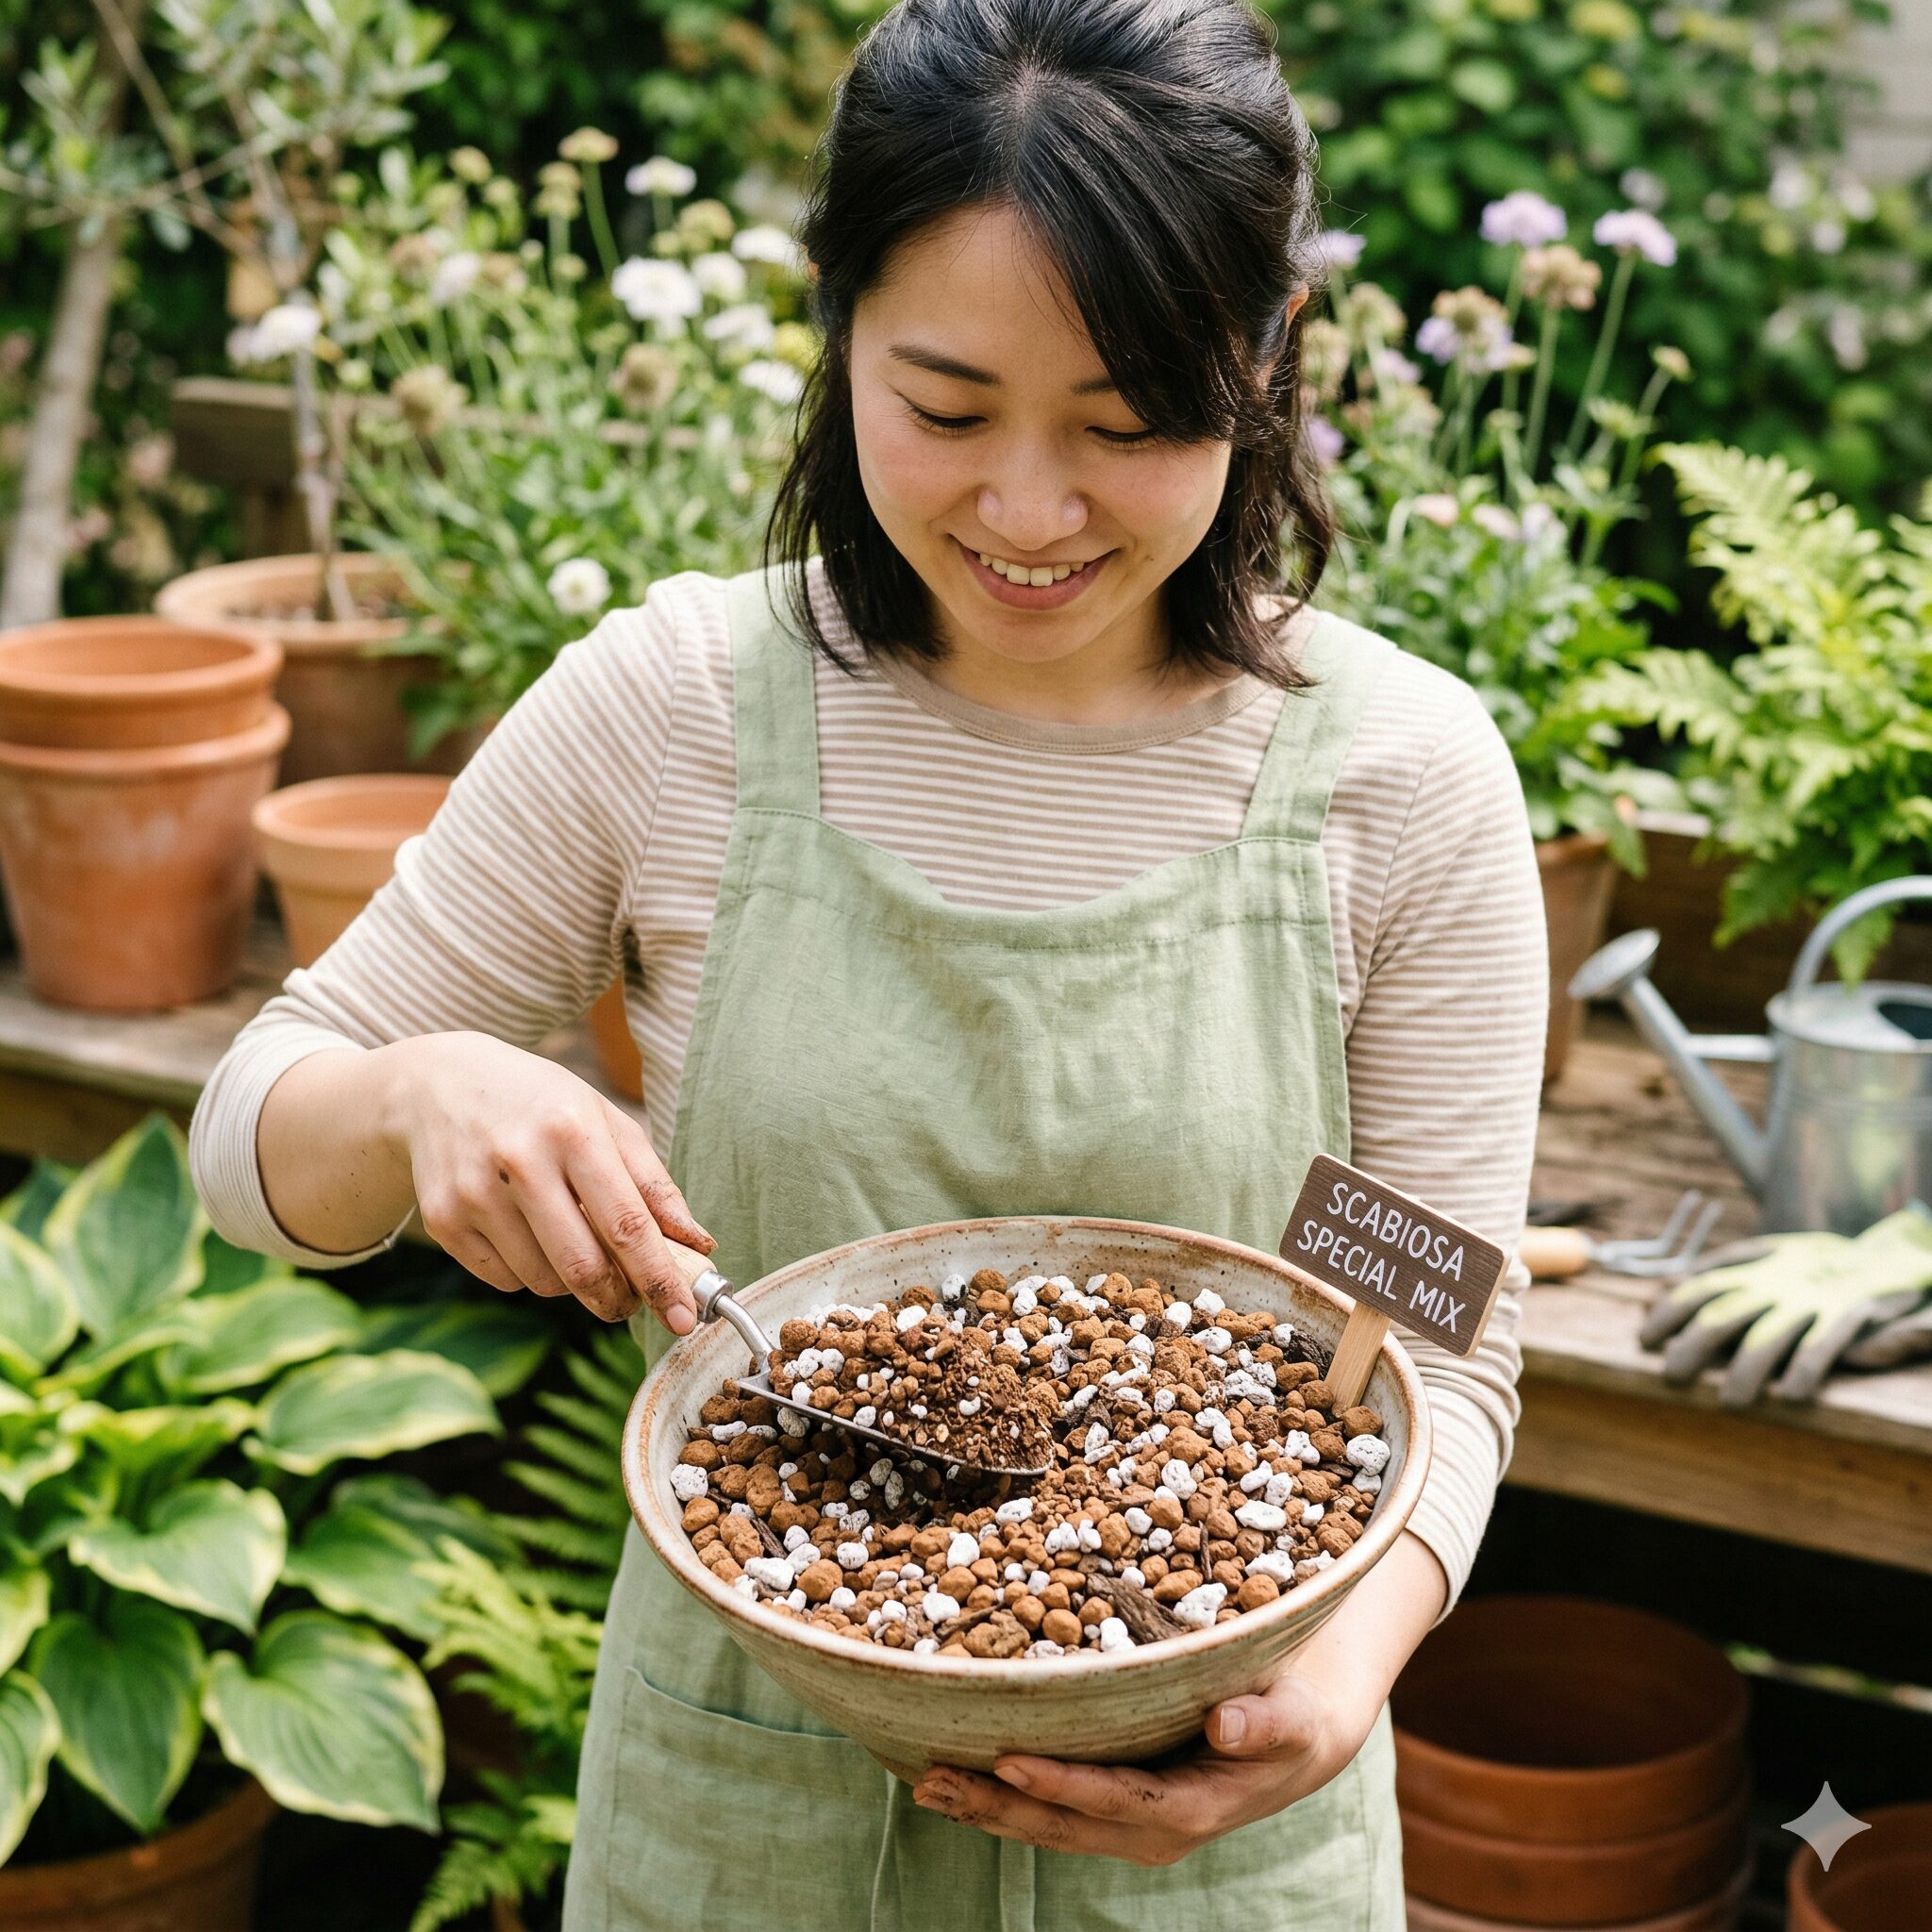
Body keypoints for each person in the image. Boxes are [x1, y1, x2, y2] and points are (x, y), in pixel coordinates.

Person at [190, 0, 1547, 1924]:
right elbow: (249, 1135)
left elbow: (1428, 1326)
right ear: (835, 333)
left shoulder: (1397, 779)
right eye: (946, 407)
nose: (1027, 510)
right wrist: (418, 1091)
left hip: (1218, 1827)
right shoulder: (677, 708)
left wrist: (1337, 1676)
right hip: (749, 1817)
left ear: (1262, 363)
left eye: (1126, 424)